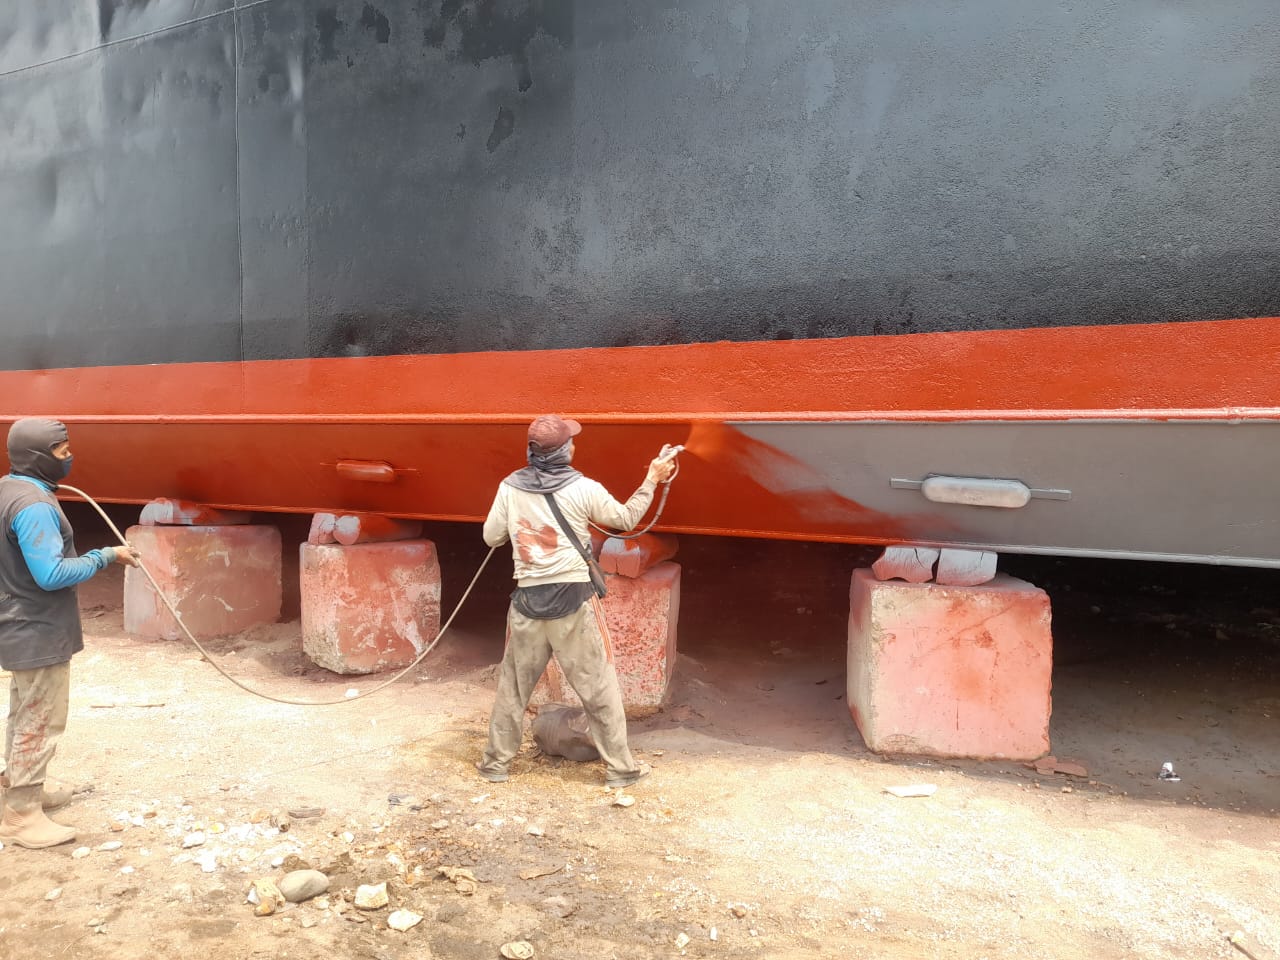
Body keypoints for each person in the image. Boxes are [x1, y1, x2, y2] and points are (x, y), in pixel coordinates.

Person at [477, 415, 677, 788]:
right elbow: (626, 518)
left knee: (513, 689)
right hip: (572, 601)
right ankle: (620, 770)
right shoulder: (583, 487)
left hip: (527, 601)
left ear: (532, 451)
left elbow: (491, 537)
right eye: (571, 441)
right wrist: (653, 477)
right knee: (598, 687)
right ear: (566, 451)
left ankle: (495, 765)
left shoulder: (509, 487)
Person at [0, 418, 138, 848]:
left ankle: (22, 789)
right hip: (37, 627)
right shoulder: (35, 506)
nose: (69, 457)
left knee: (24, 709)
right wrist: (105, 556)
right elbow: (51, 574)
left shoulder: (8, 489)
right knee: (40, 718)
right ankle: (21, 815)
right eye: (61, 451)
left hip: (15, 621)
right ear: (38, 456)